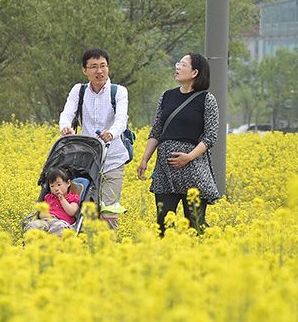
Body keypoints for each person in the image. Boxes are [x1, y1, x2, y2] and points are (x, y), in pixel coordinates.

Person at [136, 53, 221, 236]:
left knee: (194, 225)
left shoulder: (207, 100)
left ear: (195, 72)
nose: (177, 67)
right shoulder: (167, 96)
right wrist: (145, 159)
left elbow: (210, 136)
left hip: (194, 169)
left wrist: (188, 157)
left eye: (182, 64)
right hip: (165, 170)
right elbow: (157, 131)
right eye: (178, 63)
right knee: (163, 225)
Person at [58, 48, 129, 229]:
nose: (99, 71)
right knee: (86, 210)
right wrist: (65, 127)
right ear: (85, 70)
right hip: (86, 161)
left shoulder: (119, 91)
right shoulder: (78, 90)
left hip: (112, 159)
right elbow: (67, 113)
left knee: (109, 211)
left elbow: (122, 119)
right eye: (94, 67)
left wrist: (111, 133)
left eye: (103, 66)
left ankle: (109, 251)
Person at [23, 166, 81, 236]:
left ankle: (50, 243)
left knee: (58, 228)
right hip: (47, 221)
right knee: (33, 225)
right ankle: (30, 244)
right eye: (52, 186)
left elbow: (72, 212)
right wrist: (46, 215)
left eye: (59, 185)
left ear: (68, 183)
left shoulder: (72, 198)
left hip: (62, 223)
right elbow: (41, 212)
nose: (56, 188)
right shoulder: (48, 197)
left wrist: (62, 199)